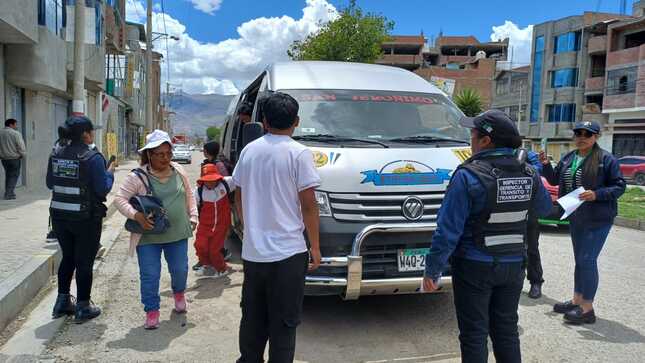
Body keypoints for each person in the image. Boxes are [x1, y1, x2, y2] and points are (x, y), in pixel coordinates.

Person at [423, 110, 552, 363]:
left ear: (485, 141)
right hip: (514, 266)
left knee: (474, 335)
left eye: (472, 134)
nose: (469, 139)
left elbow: (447, 231)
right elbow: (544, 209)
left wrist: (432, 270)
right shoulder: (529, 173)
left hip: (474, 267)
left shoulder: (468, 175)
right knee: (506, 332)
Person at [233, 92, 321, 363]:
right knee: (284, 323)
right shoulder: (299, 153)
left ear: (264, 121)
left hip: (254, 254)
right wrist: (315, 247)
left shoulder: (249, 150)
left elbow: (238, 195)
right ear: (296, 121)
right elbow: (308, 204)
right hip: (289, 255)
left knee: (253, 319)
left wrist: (250, 229)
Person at [540, 121, 626, 324]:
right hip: (576, 216)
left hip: (598, 218)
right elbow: (554, 180)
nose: (581, 137)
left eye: (587, 134)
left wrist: (597, 194)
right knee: (580, 260)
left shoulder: (606, 159)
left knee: (587, 260)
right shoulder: (570, 157)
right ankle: (576, 300)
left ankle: (587, 308)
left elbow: (619, 187)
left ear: (596, 137)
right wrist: (545, 165)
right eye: (578, 133)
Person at [114, 130, 198, 330]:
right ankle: (152, 310)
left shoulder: (178, 170)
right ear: (149, 155)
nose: (165, 158)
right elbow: (119, 199)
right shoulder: (138, 177)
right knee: (150, 274)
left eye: (168, 153)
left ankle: (179, 293)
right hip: (148, 237)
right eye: (160, 154)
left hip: (177, 233)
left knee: (180, 270)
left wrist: (193, 215)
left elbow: (189, 195)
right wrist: (137, 216)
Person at [47, 116, 115, 323]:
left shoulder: (56, 153)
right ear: (85, 134)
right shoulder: (92, 157)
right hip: (85, 218)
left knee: (68, 257)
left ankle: (62, 302)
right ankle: (83, 307)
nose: (92, 134)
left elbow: (50, 183)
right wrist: (110, 173)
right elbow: (102, 188)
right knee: (84, 261)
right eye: (91, 131)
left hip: (59, 217)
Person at [194, 164, 235, 278]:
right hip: (205, 225)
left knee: (214, 250)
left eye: (213, 180)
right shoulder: (198, 192)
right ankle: (206, 263)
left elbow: (243, 177)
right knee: (200, 245)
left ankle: (222, 269)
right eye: (207, 180)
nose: (210, 183)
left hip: (221, 226)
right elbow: (191, 206)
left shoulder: (227, 183)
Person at [526, 150, 545, 299]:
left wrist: (518, 166)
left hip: (528, 210)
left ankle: (536, 282)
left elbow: (538, 170)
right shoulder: (495, 153)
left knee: (532, 248)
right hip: (504, 209)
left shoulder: (527, 154)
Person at [0, 118, 27, 200]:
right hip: (14, 158)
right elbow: (21, 146)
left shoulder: (0, 133)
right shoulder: (16, 133)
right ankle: (8, 194)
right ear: (11, 125)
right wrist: (23, 155)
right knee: (14, 176)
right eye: (15, 124)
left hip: (4, 159)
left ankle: (9, 192)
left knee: (8, 175)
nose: (16, 126)